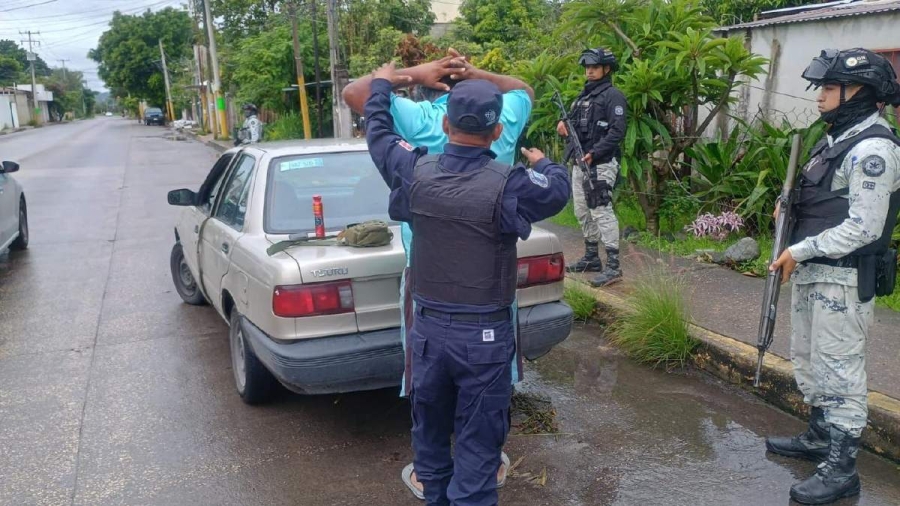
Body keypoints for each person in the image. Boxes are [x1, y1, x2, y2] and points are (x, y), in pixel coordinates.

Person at [364, 62, 570, 506]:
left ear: (443, 123)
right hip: (485, 340)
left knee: (432, 455)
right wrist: (546, 163)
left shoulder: (412, 170)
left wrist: (383, 82)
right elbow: (556, 191)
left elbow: (377, 131)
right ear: (497, 134)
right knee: (477, 462)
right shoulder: (510, 183)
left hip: (427, 337)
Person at [766, 48, 900, 505]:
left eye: (827, 88)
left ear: (858, 91)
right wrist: (787, 210)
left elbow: (863, 225)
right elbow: (820, 197)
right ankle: (820, 437)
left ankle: (842, 470)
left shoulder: (874, 149)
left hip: (843, 278)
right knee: (811, 359)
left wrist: (798, 249)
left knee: (841, 371)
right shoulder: (835, 139)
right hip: (815, 271)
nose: (819, 97)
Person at [557, 47, 628, 287]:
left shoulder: (613, 96)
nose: (589, 71)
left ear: (606, 69)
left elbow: (617, 131)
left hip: (601, 163)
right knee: (582, 210)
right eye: (587, 67)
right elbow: (575, 128)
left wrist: (594, 153)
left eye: (594, 67)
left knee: (601, 211)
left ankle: (613, 266)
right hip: (580, 162)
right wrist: (564, 129)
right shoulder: (582, 98)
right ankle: (591, 257)